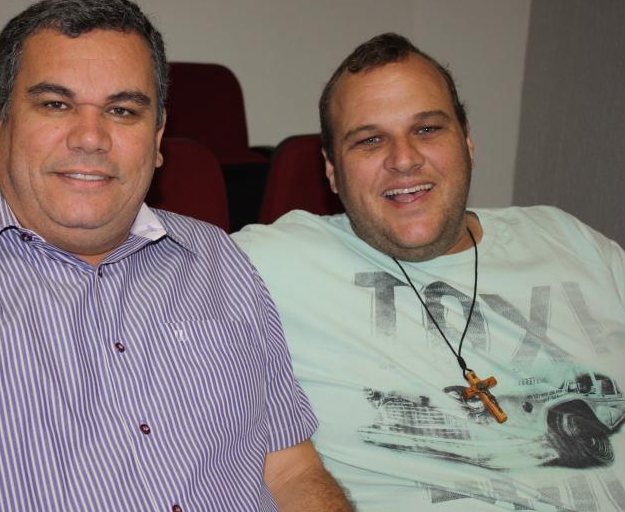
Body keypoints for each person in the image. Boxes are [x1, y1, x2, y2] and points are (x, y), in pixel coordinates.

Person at [0, 0, 352, 511]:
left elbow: (291, 470)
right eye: (55, 104)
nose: (90, 137)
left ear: (157, 138)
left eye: (123, 111)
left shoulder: (217, 259)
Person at [233, 33, 625, 511]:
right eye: (370, 140)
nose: (403, 159)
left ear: (467, 143)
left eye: (427, 129)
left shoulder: (571, 242)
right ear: (332, 170)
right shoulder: (270, 262)